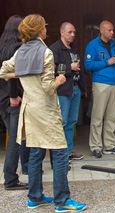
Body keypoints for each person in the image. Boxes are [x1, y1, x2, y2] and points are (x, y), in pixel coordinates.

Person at [0, 14, 86, 211]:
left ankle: (35, 196)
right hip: (46, 110)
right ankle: (62, 201)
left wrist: (23, 74)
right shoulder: (46, 53)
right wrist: (59, 80)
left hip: (29, 110)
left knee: (36, 152)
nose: (47, 29)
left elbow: (3, 71)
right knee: (61, 153)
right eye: (45, 27)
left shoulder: (21, 51)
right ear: (40, 30)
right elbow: (48, 88)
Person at [85, 20, 115, 158]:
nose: (112, 32)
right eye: (109, 30)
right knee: (98, 117)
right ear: (101, 31)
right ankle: (95, 146)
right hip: (101, 83)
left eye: (113, 30)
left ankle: (109, 146)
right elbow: (88, 65)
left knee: (112, 117)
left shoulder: (113, 44)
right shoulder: (93, 45)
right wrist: (107, 62)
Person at [0, 15, 30, 190]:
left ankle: (11, 176)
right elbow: (11, 73)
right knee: (15, 141)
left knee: (13, 139)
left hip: (1, 100)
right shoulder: (17, 48)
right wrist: (14, 95)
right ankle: (10, 179)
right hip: (12, 100)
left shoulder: (2, 45)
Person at [49, 22, 86, 161]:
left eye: (74, 32)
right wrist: (69, 67)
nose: (72, 35)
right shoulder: (54, 49)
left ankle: (68, 152)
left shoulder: (74, 48)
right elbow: (51, 69)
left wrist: (83, 88)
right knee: (62, 123)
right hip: (63, 90)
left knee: (71, 122)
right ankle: (59, 155)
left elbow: (80, 69)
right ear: (62, 32)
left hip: (75, 88)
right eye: (70, 32)